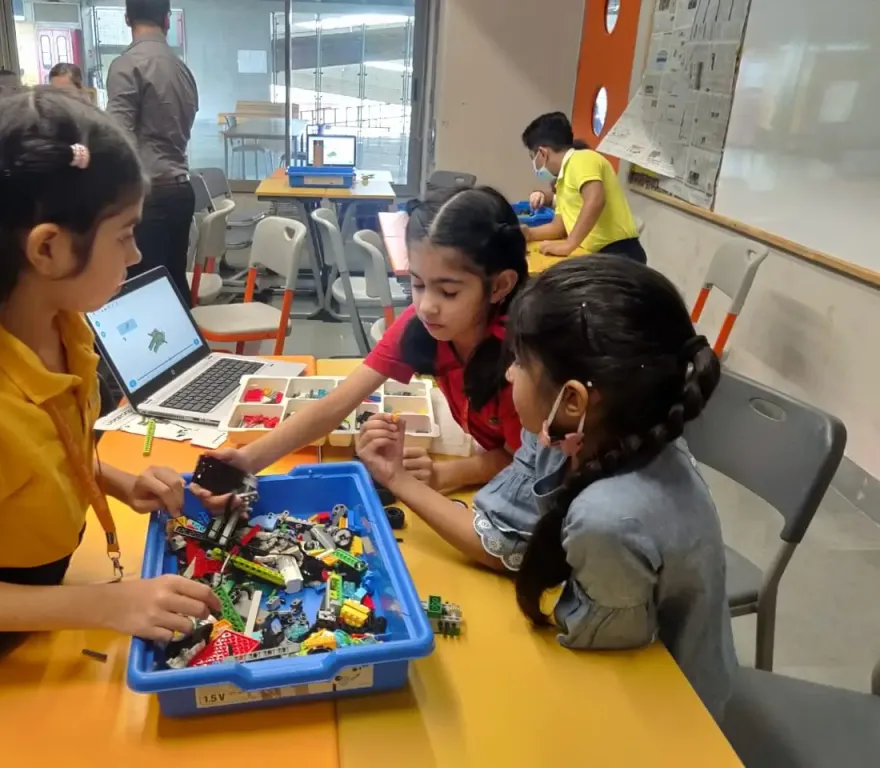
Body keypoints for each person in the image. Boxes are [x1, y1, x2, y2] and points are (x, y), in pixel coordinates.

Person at [0, 89, 226, 768]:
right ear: (49, 248)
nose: (135, 255)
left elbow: (41, 452)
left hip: (37, 602)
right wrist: (104, 606)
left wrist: (116, 480)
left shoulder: (63, 328)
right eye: (124, 234)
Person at [357, 255, 736, 719]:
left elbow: (608, 661)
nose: (508, 374)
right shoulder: (574, 433)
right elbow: (503, 541)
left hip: (669, 713)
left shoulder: (609, 520)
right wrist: (396, 478)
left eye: (519, 362)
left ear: (573, 399)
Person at [209, 185, 528, 498]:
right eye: (417, 284)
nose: (427, 306)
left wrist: (448, 474)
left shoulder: (525, 362)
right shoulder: (424, 325)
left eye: (448, 292)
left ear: (500, 286)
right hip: (487, 459)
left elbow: (528, 462)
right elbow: (336, 404)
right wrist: (248, 460)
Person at [107, 0, 198, 298]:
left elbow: (119, 140)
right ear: (167, 20)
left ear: (127, 18)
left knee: (144, 292)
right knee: (174, 285)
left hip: (148, 198)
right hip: (180, 192)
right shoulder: (182, 69)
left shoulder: (127, 65)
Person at [522, 112, 646, 264]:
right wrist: (528, 233)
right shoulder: (562, 180)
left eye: (533, 157)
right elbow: (559, 227)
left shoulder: (582, 158)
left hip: (619, 253)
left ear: (542, 153)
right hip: (596, 254)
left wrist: (569, 244)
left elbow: (595, 200)